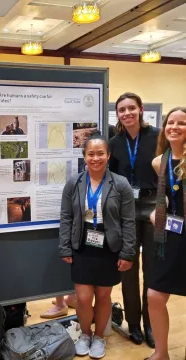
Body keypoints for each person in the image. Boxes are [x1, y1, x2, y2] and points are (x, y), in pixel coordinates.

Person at [59, 131, 136, 359]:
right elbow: (65, 217)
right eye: (91, 154)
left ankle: (100, 337)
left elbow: (128, 221)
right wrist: (64, 246)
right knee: (82, 297)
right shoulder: (74, 182)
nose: (95, 158)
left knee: (103, 296)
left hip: (109, 246)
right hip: (82, 244)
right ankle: (85, 334)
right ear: (84, 157)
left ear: (108, 155)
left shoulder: (121, 184)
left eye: (100, 153)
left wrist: (128, 252)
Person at [109, 92, 159, 348]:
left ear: (141, 109)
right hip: (125, 207)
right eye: (121, 110)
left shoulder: (158, 137)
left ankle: (151, 325)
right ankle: (134, 324)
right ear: (117, 114)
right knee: (128, 267)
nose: (127, 113)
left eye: (131, 108)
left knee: (151, 268)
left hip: (152, 205)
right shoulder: (115, 142)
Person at [147, 107, 186, 360]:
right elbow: (167, 198)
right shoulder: (159, 161)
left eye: (181, 123)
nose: (174, 127)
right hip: (169, 237)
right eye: (170, 122)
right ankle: (161, 353)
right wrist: (155, 213)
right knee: (154, 295)